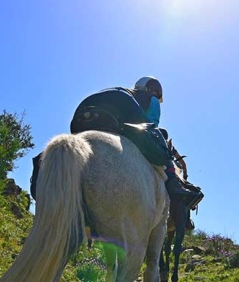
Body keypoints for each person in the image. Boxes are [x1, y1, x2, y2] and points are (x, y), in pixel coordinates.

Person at [67, 76, 203, 209]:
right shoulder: (152, 99)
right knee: (159, 134)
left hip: (82, 113)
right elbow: (151, 125)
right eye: (155, 91)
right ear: (148, 89)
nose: (155, 94)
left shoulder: (129, 92)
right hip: (120, 105)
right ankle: (174, 183)